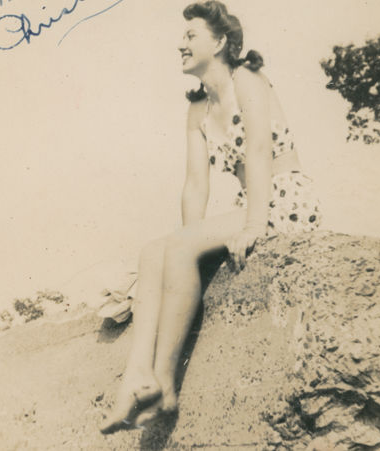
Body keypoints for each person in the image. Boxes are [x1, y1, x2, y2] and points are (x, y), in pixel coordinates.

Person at [99, 0, 322, 434]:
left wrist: (253, 225)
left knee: (179, 247)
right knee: (153, 252)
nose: (180, 44)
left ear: (219, 42)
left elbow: (259, 151)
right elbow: (195, 186)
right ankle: (136, 379)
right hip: (252, 201)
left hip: (284, 197)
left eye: (190, 35)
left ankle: (164, 384)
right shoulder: (198, 108)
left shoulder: (248, 80)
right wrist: (179, 253)